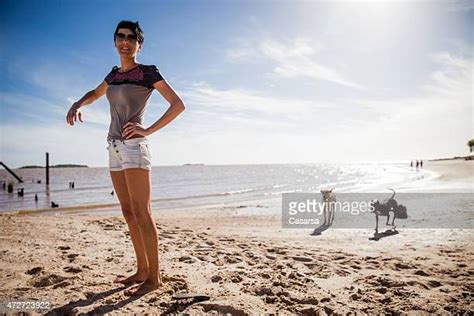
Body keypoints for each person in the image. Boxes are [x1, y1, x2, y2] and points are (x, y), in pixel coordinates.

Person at [66, 20, 185, 296]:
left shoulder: (147, 73)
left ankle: (154, 278)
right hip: (114, 148)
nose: (125, 41)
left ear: (138, 44)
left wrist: (149, 129)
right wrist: (77, 104)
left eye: (131, 37)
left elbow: (178, 104)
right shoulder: (113, 76)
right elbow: (95, 94)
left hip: (134, 147)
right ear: (115, 41)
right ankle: (141, 270)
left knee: (142, 212)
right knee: (128, 212)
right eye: (120, 36)